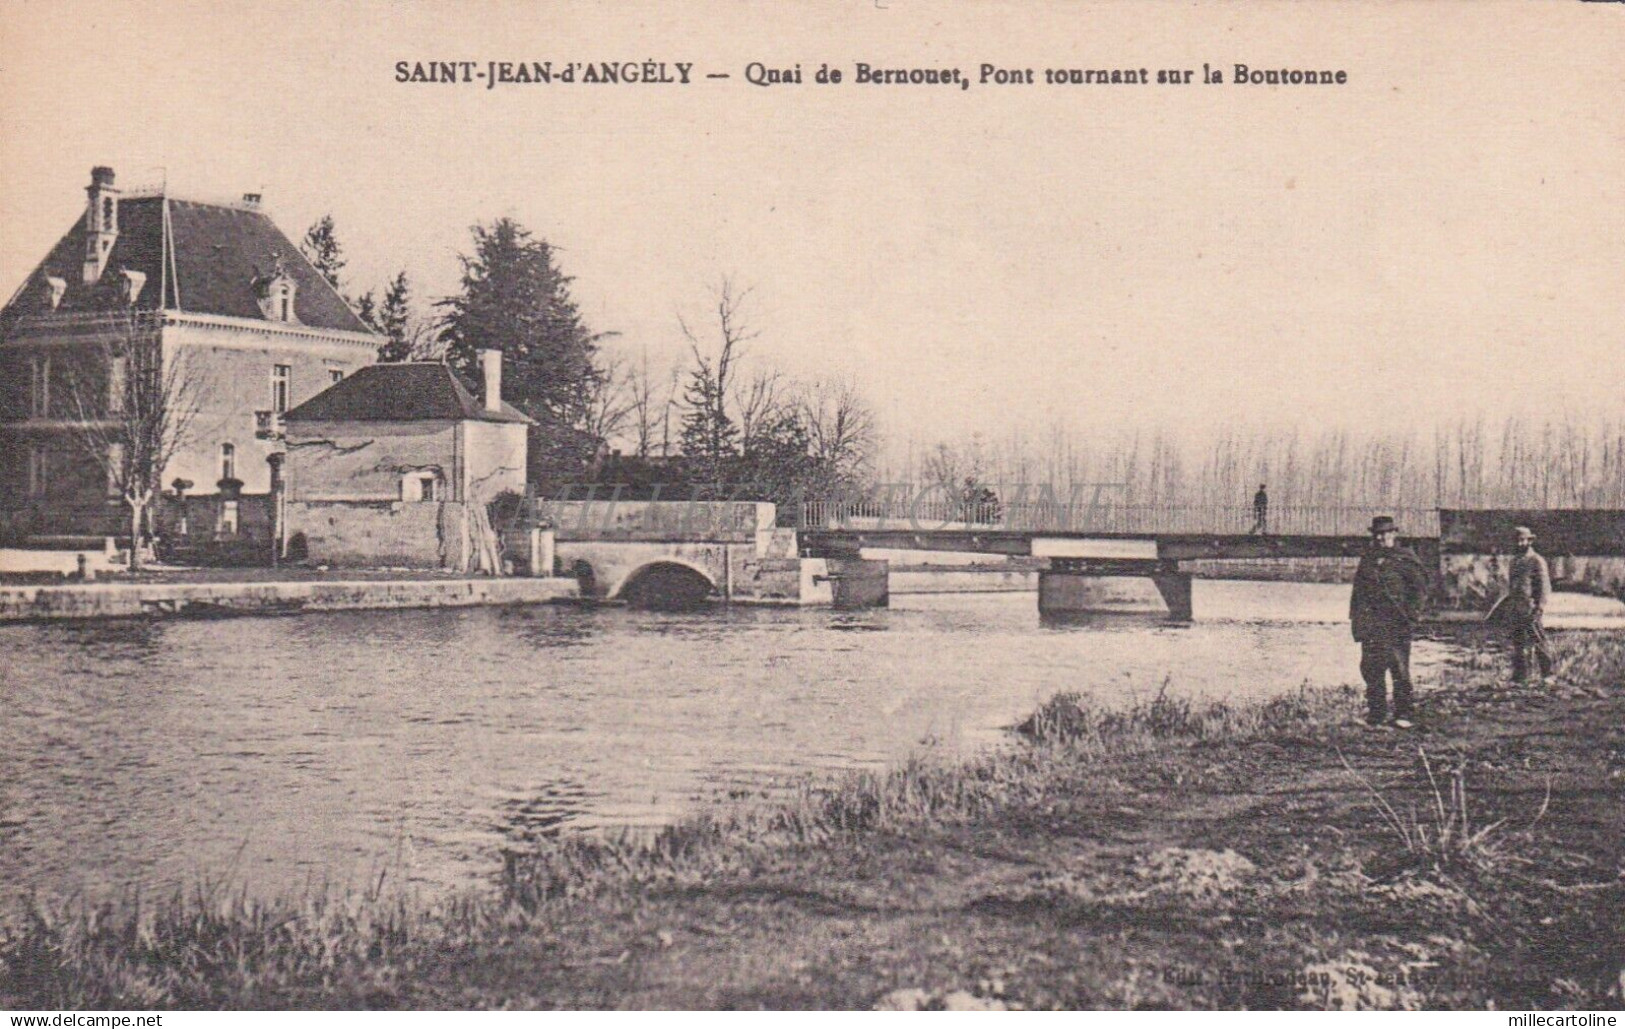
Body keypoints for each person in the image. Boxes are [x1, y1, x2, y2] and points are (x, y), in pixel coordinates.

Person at [1350, 515, 1431, 729]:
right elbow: (1358, 593)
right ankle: (1376, 714)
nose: (1381, 538)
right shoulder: (1368, 559)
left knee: (1399, 668)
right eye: (1377, 534)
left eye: (1385, 533)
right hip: (1372, 625)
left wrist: (1412, 616)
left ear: (1394, 534)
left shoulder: (1405, 558)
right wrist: (1357, 622)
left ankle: (1404, 713)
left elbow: (1420, 591)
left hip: (1397, 623)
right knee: (1371, 668)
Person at [1504, 525, 1556, 685]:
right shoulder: (1514, 561)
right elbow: (1512, 587)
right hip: (1516, 608)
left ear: (1529, 541)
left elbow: (1544, 587)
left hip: (1531, 609)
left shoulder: (1536, 561)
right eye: (1517, 541)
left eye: (1522, 540)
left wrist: (1539, 608)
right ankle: (1520, 676)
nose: (1520, 544)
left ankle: (1549, 675)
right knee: (1518, 643)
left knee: (1538, 640)